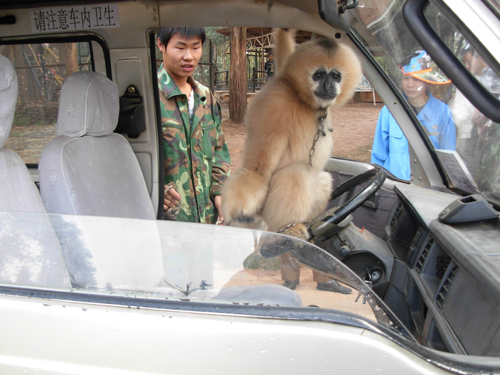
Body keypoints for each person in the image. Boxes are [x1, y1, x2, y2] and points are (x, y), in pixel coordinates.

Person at [157, 27, 231, 224]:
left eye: (195, 48)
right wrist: (154, 190)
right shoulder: (150, 98)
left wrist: (220, 194)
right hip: (170, 223)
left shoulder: (205, 97)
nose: (189, 56)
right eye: (180, 48)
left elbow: (218, 152)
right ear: (161, 45)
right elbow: (135, 162)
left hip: (206, 221)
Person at [371, 51, 456, 180]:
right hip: (396, 185)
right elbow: (379, 156)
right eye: (406, 78)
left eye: (416, 79)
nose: (410, 84)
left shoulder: (442, 112)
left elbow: (448, 157)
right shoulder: (389, 111)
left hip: (431, 187)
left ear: (427, 81)